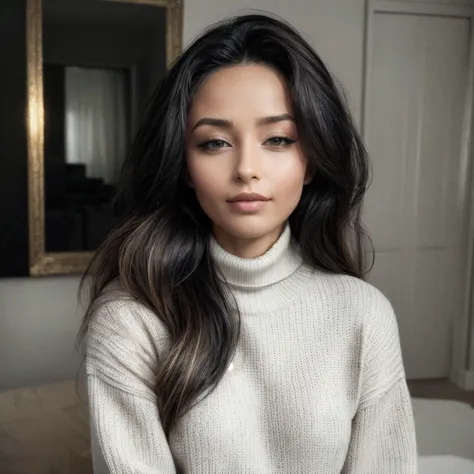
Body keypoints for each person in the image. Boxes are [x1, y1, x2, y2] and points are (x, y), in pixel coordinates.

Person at [79, 13, 418, 473]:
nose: (246, 169)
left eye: (278, 139)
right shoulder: (131, 321)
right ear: (183, 166)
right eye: (215, 143)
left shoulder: (362, 314)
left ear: (312, 160)